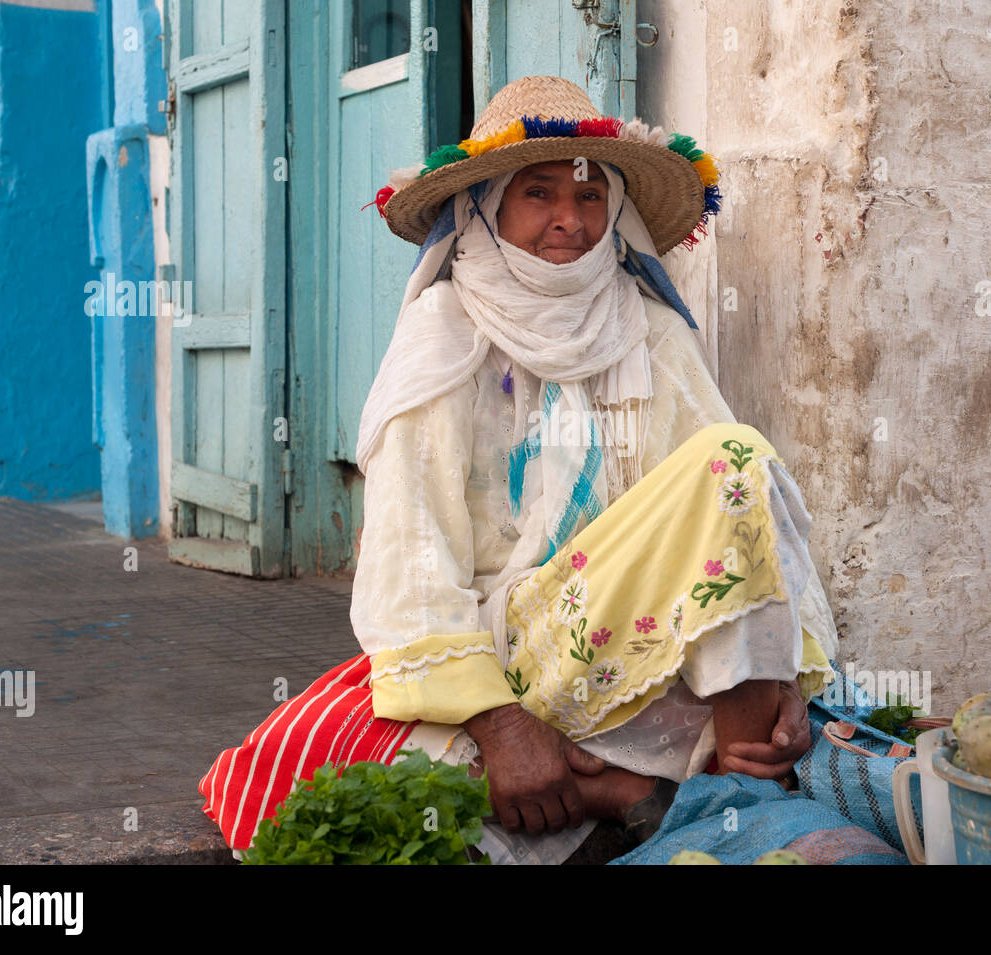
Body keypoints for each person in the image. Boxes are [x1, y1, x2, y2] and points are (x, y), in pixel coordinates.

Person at [200, 75, 839, 864]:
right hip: (510, 649)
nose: (570, 220)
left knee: (738, 465)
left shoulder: (647, 329)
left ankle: (744, 776)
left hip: (633, 640)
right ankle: (687, 798)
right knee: (736, 465)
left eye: (590, 194)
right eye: (539, 194)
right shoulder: (444, 333)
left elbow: (740, 515)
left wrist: (786, 684)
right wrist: (501, 725)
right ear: (488, 205)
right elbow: (410, 558)